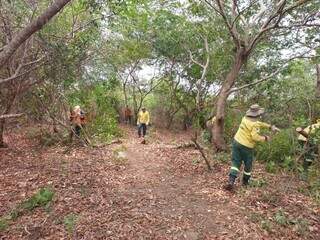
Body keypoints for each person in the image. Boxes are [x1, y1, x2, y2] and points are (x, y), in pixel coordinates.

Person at [224, 104, 280, 191]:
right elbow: (255, 137)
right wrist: (265, 138)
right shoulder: (255, 125)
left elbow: (259, 123)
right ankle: (245, 183)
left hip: (236, 142)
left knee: (236, 162)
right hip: (247, 146)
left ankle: (231, 181)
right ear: (258, 114)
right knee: (248, 165)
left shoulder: (244, 118)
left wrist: (270, 127)